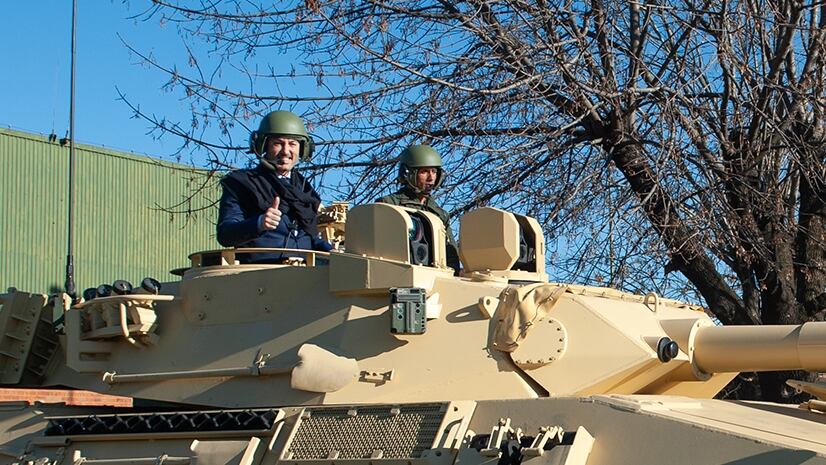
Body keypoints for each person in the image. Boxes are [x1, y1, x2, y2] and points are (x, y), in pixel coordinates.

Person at [217, 110, 332, 264]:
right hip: (260, 277)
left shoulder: (305, 191)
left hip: (306, 277)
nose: (286, 151)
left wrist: (332, 251)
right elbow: (226, 234)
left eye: (292, 144)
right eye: (278, 143)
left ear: (303, 149)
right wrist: (259, 223)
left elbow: (308, 238)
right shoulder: (243, 184)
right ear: (263, 146)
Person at [377, 144, 460, 273]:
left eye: (434, 171)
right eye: (424, 171)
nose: (431, 177)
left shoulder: (439, 214)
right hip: (399, 272)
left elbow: (451, 257)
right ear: (408, 174)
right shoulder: (389, 205)